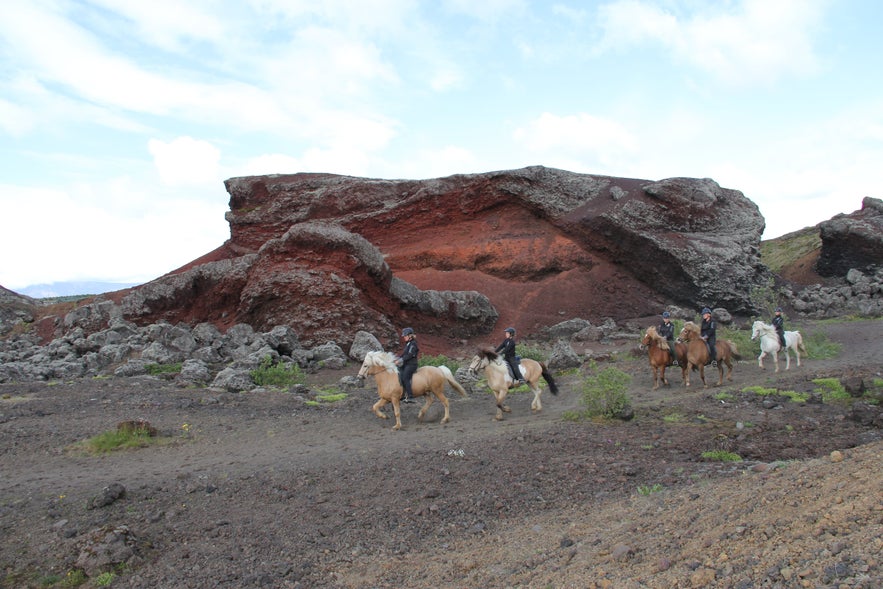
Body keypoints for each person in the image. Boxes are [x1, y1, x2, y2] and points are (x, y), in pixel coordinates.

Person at [396, 327, 419, 403]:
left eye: (405, 336)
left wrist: (401, 360)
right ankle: (401, 394)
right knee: (399, 374)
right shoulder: (408, 344)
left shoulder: (413, 344)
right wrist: (397, 359)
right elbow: (403, 354)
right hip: (406, 364)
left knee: (405, 377)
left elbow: (409, 355)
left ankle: (410, 396)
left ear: (410, 336)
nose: (404, 337)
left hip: (412, 364)